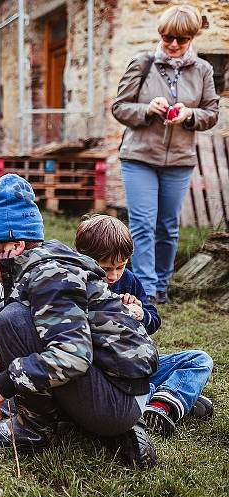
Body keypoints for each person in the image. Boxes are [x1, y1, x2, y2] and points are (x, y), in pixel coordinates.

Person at [0, 174, 159, 468]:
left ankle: (34, 428)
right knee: (16, 320)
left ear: (14, 246)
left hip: (118, 399)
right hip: (117, 389)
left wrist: (5, 383)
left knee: (11, 319)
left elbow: (73, 356)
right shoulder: (44, 266)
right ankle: (114, 431)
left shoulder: (50, 275)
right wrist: (0, 380)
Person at [111, 4, 219, 303]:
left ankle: (161, 285)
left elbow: (211, 113)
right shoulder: (142, 63)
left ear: (192, 38)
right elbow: (119, 107)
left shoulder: (203, 70)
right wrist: (146, 109)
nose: (173, 44)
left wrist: (188, 114)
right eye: (167, 37)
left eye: (181, 40)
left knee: (168, 227)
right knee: (143, 224)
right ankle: (145, 291)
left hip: (180, 161)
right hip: (139, 158)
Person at [75, 214, 213, 437]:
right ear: (84, 259)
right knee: (139, 386)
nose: (113, 275)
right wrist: (114, 313)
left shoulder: (128, 280)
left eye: (120, 266)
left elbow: (153, 320)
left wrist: (140, 314)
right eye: (106, 268)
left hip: (143, 363)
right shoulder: (76, 284)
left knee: (200, 360)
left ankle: (160, 406)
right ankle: (172, 398)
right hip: (111, 373)